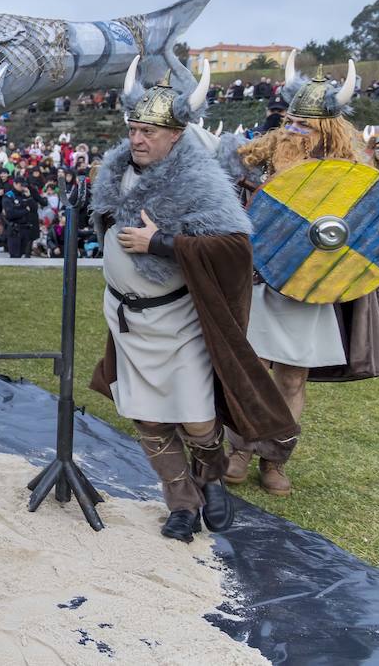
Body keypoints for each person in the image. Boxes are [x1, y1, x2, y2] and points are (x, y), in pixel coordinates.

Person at [89, 57, 297, 542]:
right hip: (126, 318)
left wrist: (162, 244)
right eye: (134, 128)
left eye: (149, 132)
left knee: (198, 419)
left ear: (177, 135)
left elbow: (234, 249)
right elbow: (107, 218)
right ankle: (181, 504)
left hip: (178, 321)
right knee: (148, 418)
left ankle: (211, 476)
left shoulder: (199, 181)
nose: (138, 139)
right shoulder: (117, 170)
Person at [220, 60, 379, 495]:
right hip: (257, 284)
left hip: (310, 288)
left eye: (305, 125)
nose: (294, 131)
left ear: (327, 132)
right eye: (290, 121)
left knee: (293, 378)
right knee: (252, 370)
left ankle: (275, 458)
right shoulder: (251, 167)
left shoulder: (347, 180)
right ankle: (238, 447)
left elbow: (369, 231)